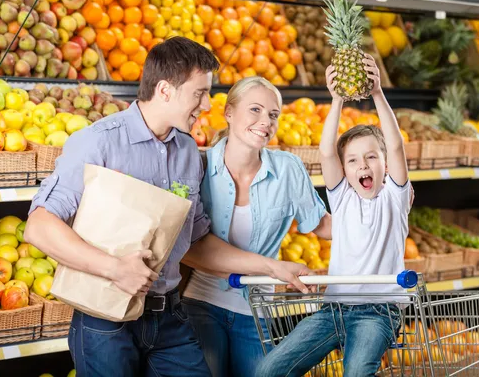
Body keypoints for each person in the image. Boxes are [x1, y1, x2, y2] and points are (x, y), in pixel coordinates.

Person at [24, 37, 311, 377]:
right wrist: (114, 268)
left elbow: (197, 240)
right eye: (199, 93)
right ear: (164, 90)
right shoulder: (98, 141)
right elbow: (39, 225)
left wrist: (271, 268)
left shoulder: (188, 151)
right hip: (105, 322)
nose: (207, 105)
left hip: (170, 317)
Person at [256, 55, 411, 377]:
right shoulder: (342, 199)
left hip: (378, 313)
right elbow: (326, 151)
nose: (363, 166)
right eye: (353, 160)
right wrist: (337, 99)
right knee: (269, 370)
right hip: (332, 309)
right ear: (345, 170)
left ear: (385, 164)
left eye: (371, 157)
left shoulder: (395, 198)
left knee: (356, 372)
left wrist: (378, 93)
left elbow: (396, 146)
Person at [181, 76, 332, 377]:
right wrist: (273, 268)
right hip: (201, 303)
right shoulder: (198, 166)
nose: (266, 121)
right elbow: (186, 248)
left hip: (257, 310)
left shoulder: (287, 168)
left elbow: (323, 225)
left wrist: (379, 213)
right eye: (255, 110)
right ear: (228, 113)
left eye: (273, 115)